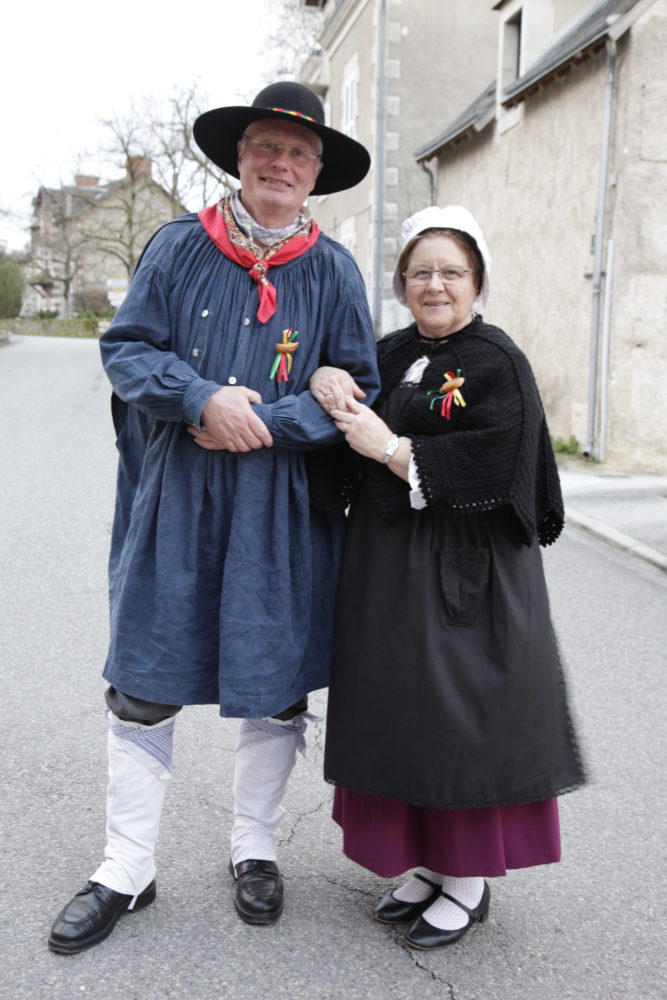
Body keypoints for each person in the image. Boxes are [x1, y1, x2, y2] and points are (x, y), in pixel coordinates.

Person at [48, 81, 379, 954]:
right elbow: (125, 349)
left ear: (315, 174)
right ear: (240, 156)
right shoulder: (176, 246)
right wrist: (200, 398)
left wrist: (267, 421)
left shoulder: (334, 271)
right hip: (176, 499)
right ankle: (126, 866)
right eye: (267, 146)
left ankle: (254, 848)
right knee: (146, 677)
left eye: (298, 154)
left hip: (280, 509)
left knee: (273, 679)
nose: (281, 163)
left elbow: (359, 386)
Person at [310, 206, 585, 951]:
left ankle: (466, 878)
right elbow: (343, 427)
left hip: (466, 569)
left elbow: (501, 464)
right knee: (404, 711)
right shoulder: (391, 351)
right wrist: (327, 383)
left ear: (477, 281)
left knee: (457, 717)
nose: (435, 285)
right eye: (420, 272)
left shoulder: (497, 361)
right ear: (402, 282)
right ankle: (427, 865)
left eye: (451, 272)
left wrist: (390, 448)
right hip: (387, 567)